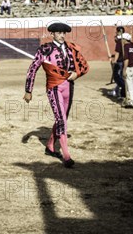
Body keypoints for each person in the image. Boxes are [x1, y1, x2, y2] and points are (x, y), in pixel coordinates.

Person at [23, 22, 89, 168]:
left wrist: (77, 74)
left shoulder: (71, 48)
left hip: (69, 86)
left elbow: (83, 66)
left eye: (63, 33)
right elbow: (33, 69)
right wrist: (28, 90)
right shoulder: (45, 49)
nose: (62, 35)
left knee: (62, 118)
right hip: (54, 87)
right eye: (59, 33)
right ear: (52, 34)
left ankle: (50, 146)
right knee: (60, 118)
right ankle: (66, 155)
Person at [121, 32, 133, 108]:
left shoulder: (126, 47)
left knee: (129, 85)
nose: (121, 40)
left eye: (122, 39)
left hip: (129, 68)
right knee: (131, 83)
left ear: (125, 39)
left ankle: (132, 101)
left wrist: (124, 70)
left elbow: (126, 59)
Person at [109, 26, 126, 100]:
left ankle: (123, 90)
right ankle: (116, 90)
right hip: (124, 61)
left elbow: (118, 52)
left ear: (119, 32)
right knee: (121, 78)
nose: (116, 33)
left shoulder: (120, 41)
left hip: (120, 61)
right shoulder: (126, 41)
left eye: (116, 32)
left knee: (117, 77)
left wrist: (114, 60)